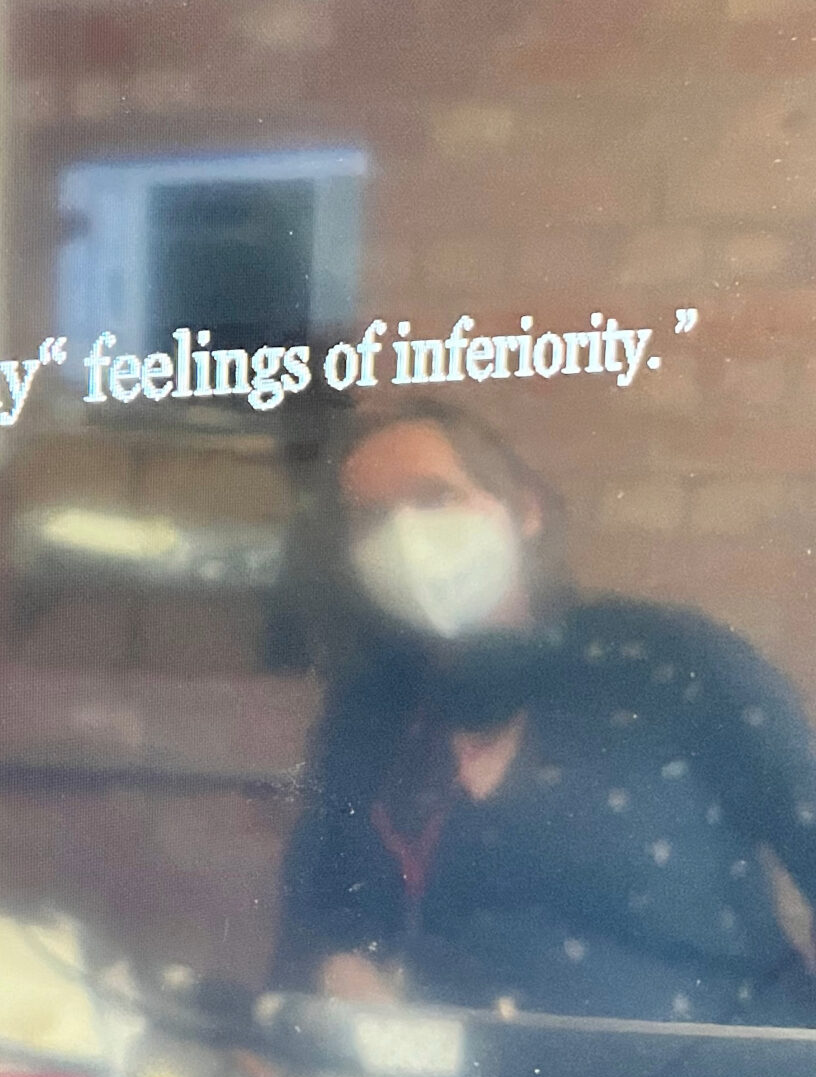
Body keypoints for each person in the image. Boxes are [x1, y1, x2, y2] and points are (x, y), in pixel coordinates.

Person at [273, 398, 816, 1025]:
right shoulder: (371, 713)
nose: (405, 536)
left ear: (523, 510)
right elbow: (313, 921)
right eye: (370, 519)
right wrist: (341, 971)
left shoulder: (668, 665)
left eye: (434, 497)